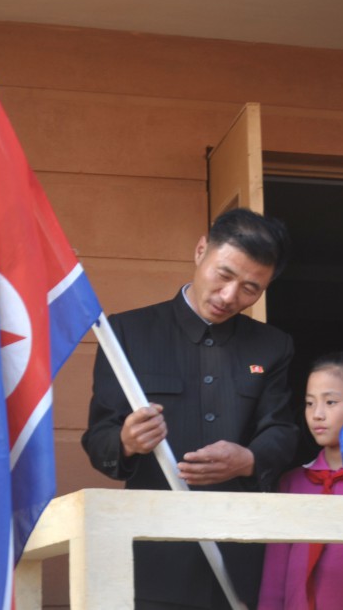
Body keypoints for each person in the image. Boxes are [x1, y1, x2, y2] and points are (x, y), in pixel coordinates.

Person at [82, 208, 298, 610]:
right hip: (154, 557)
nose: (231, 296)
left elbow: (282, 431)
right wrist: (126, 441)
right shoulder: (127, 332)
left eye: (251, 288)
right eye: (225, 275)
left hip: (241, 554)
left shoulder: (273, 346)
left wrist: (249, 459)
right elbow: (98, 439)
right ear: (201, 251)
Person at [258, 352, 343, 610]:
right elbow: (274, 576)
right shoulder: (292, 483)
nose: (317, 414)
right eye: (310, 403)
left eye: (331, 402)